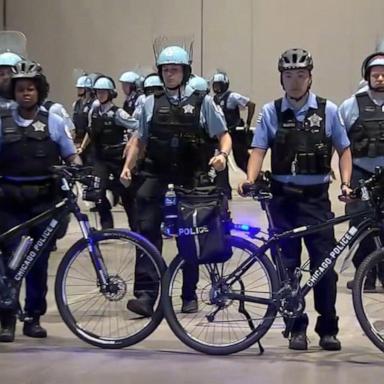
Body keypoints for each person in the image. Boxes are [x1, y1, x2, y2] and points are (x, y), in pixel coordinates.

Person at [238, 48, 352, 351]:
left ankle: (328, 327)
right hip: (282, 199)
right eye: (289, 75)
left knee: (323, 266)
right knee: (287, 266)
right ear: (281, 79)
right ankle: (295, 328)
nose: (295, 81)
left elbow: (344, 149)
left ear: (310, 77)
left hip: (316, 200)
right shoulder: (271, 111)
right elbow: (259, 149)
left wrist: (346, 182)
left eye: (301, 75)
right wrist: (250, 178)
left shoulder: (329, 110)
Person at [120, 44, 231, 317]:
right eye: (165, 70)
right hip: (155, 172)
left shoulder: (202, 101)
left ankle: (189, 293)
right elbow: (138, 139)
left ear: (185, 72)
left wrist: (223, 155)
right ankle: (146, 295)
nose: (170, 74)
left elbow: (223, 135)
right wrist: (127, 167)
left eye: (175, 70)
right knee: (145, 229)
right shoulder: (150, 103)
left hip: (190, 173)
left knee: (189, 231)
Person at [0, 60, 81, 342]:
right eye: (21, 89)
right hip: (9, 203)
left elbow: (71, 154)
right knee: (14, 258)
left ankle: (33, 317)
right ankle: (7, 316)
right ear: (14, 91)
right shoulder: (3, 122)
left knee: (38, 262)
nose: (26, 93)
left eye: (31, 89)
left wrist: (78, 168)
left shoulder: (54, 122)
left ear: (40, 91)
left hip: (45, 202)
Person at [339, 51, 384, 291]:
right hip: (360, 174)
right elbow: (339, 139)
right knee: (359, 224)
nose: (380, 79)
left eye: (383, 75)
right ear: (367, 76)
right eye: (375, 75)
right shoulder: (351, 104)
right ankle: (364, 275)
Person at [81, 75, 137, 230]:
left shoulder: (118, 113)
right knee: (96, 193)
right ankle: (106, 225)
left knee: (127, 196)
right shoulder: (94, 111)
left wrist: (130, 143)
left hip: (117, 158)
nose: (101, 95)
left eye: (104, 92)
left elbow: (136, 126)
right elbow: (90, 131)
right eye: (98, 92)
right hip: (99, 158)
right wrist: (82, 148)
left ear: (111, 93)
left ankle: (135, 228)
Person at [212, 71, 255, 198]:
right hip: (222, 134)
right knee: (221, 162)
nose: (216, 88)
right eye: (215, 85)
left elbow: (250, 104)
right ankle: (224, 190)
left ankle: (256, 180)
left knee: (241, 161)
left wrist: (247, 123)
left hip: (236, 133)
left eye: (219, 85)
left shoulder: (232, 96)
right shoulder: (214, 99)